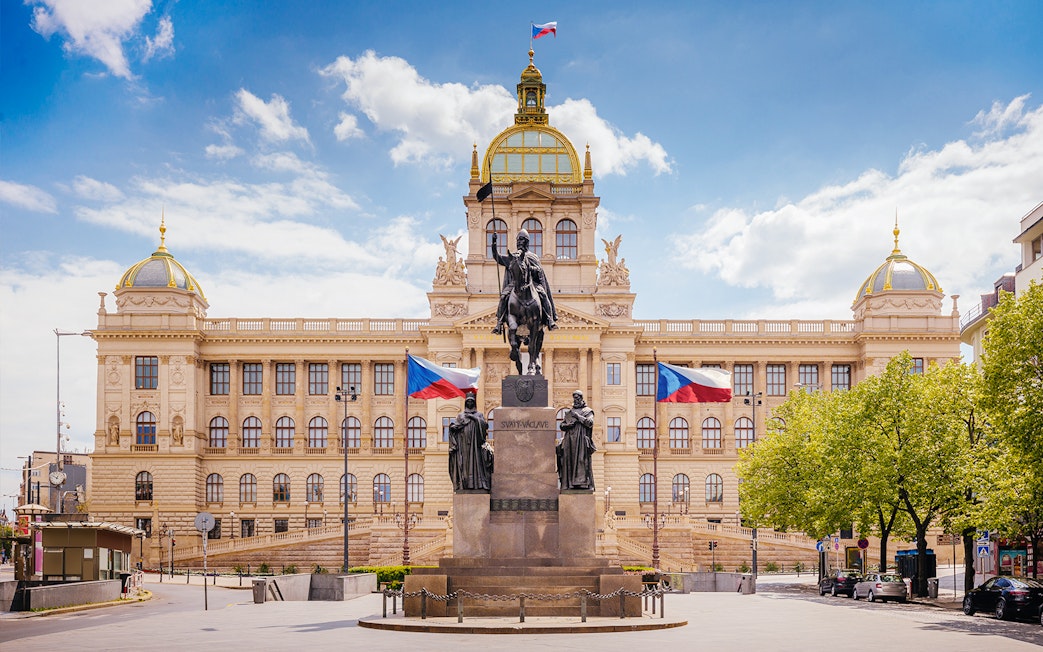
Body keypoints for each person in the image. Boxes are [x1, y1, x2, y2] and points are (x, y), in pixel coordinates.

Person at [491, 230, 557, 334]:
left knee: (543, 295)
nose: (519, 242)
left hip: (532, 284)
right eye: (517, 240)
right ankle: (499, 322)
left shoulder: (532, 256)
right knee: (504, 297)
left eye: (521, 240)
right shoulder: (513, 257)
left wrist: (529, 268)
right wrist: (494, 243)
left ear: (526, 242)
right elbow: (497, 257)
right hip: (514, 285)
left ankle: (549, 319)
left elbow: (539, 271)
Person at [448, 395, 493, 491]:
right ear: (465, 403)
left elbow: (484, 425)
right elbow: (456, 426)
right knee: (465, 465)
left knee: (477, 464)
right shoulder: (461, 415)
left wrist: (474, 418)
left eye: (471, 401)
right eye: (468, 401)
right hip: (463, 444)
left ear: (474, 403)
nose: (470, 403)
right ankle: (465, 484)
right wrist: (453, 428)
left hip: (476, 444)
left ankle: (478, 484)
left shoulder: (479, 415)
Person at [557, 390, 596, 490]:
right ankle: (569, 484)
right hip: (570, 440)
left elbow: (590, 423)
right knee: (568, 462)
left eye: (578, 397)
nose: (576, 400)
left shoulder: (588, 411)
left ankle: (582, 484)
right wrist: (567, 425)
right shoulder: (570, 412)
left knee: (581, 461)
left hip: (581, 441)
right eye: (574, 398)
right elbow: (562, 425)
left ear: (582, 398)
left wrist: (578, 417)